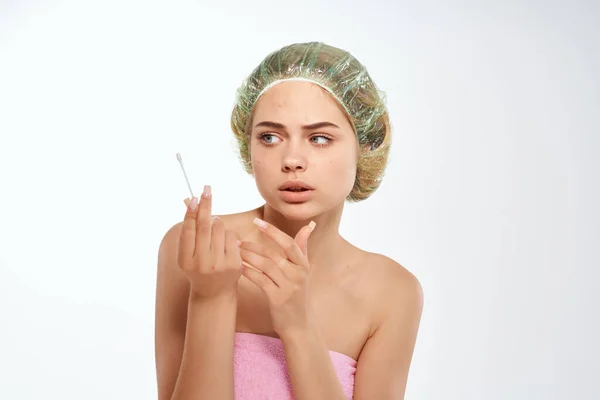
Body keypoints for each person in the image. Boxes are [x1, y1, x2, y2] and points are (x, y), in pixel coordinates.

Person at [154, 41, 424, 400]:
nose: (293, 159)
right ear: (248, 145)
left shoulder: (392, 293)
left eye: (319, 138)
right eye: (270, 136)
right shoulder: (196, 248)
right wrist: (211, 297)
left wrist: (298, 326)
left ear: (366, 145)